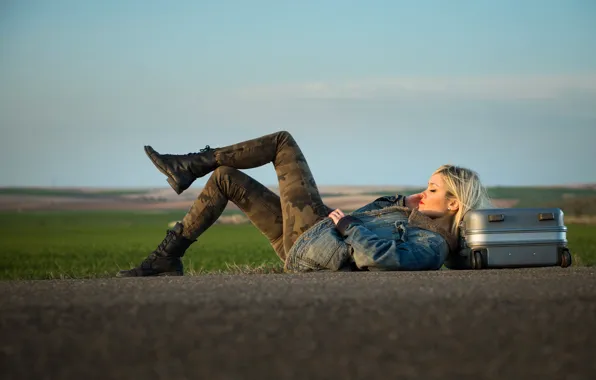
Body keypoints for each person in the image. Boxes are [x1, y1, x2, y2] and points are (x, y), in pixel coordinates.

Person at [116, 131, 492, 277]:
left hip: (316, 240)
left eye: (431, 190)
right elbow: (370, 216)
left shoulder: (433, 244)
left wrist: (349, 227)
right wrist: (400, 201)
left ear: (455, 204)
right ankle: (167, 257)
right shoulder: (414, 216)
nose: (423, 193)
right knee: (225, 178)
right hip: (306, 242)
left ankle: (190, 165)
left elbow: (385, 258)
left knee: (283, 143)